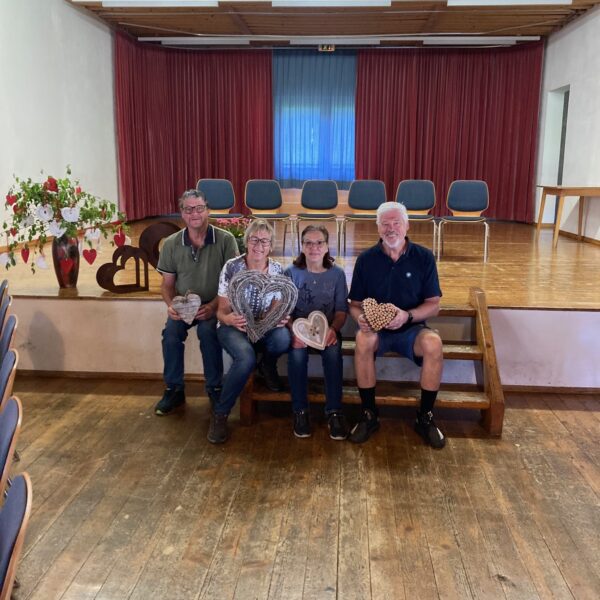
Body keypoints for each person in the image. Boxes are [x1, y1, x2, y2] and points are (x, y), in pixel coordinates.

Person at [347, 201, 445, 448]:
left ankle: (425, 417)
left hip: (411, 329)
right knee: (362, 339)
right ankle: (369, 414)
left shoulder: (424, 257)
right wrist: (360, 318)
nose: (391, 229)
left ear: (407, 225)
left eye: (396, 223)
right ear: (378, 228)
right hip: (376, 331)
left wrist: (407, 316)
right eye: (385, 224)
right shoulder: (366, 259)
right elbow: (354, 304)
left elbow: (433, 305)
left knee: (434, 343)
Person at [155, 189, 238, 416]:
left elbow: (232, 284)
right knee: (170, 334)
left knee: (208, 332)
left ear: (207, 210)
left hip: (215, 305)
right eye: (189, 209)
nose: (195, 213)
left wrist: (213, 307)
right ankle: (174, 389)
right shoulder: (171, 244)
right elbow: (167, 285)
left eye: (199, 208)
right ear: (182, 213)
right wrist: (171, 306)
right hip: (183, 306)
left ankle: (214, 388)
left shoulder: (226, 240)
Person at [209, 219, 291, 444]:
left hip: (263, 328)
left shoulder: (277, 270)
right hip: (233, 327)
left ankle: (267, 365)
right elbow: (221, 312)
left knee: (283, 339)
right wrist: (229, 319)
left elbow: (276, 306)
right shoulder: (232, 267)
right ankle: (220, 414)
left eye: (264, 241)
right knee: (246, 358)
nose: (259, 245)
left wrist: (277, 318)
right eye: (254, 239)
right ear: (246, 242)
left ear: (271, 245)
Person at [285, 225, 349, 440]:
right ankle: (300, 411)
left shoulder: (337, 274)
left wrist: (333, 330)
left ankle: (334, 411)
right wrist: (294, 332)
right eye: (308, 243)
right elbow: (285, 310)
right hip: (298, 331)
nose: (314, 247)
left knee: (333, 354)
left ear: (327, 246)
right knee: (296, 355)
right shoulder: (291, 273)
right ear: (302, 247)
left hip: (327, 331)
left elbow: (341, 311)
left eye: (319, 242)